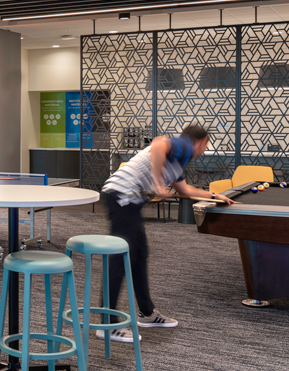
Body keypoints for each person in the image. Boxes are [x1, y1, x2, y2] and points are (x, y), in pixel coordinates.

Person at [98, 124, 233, 343]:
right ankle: (107, 325)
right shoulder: (185, 145)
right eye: (206, 145)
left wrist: (214, 196)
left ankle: (147, 314)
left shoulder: (180, 159)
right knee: (123, 258)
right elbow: (158, 144)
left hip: (128, 201)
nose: (204, 150)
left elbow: (186, 190)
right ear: (201, 140)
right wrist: (157, 183)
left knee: (139, 255)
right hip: (121, 196)